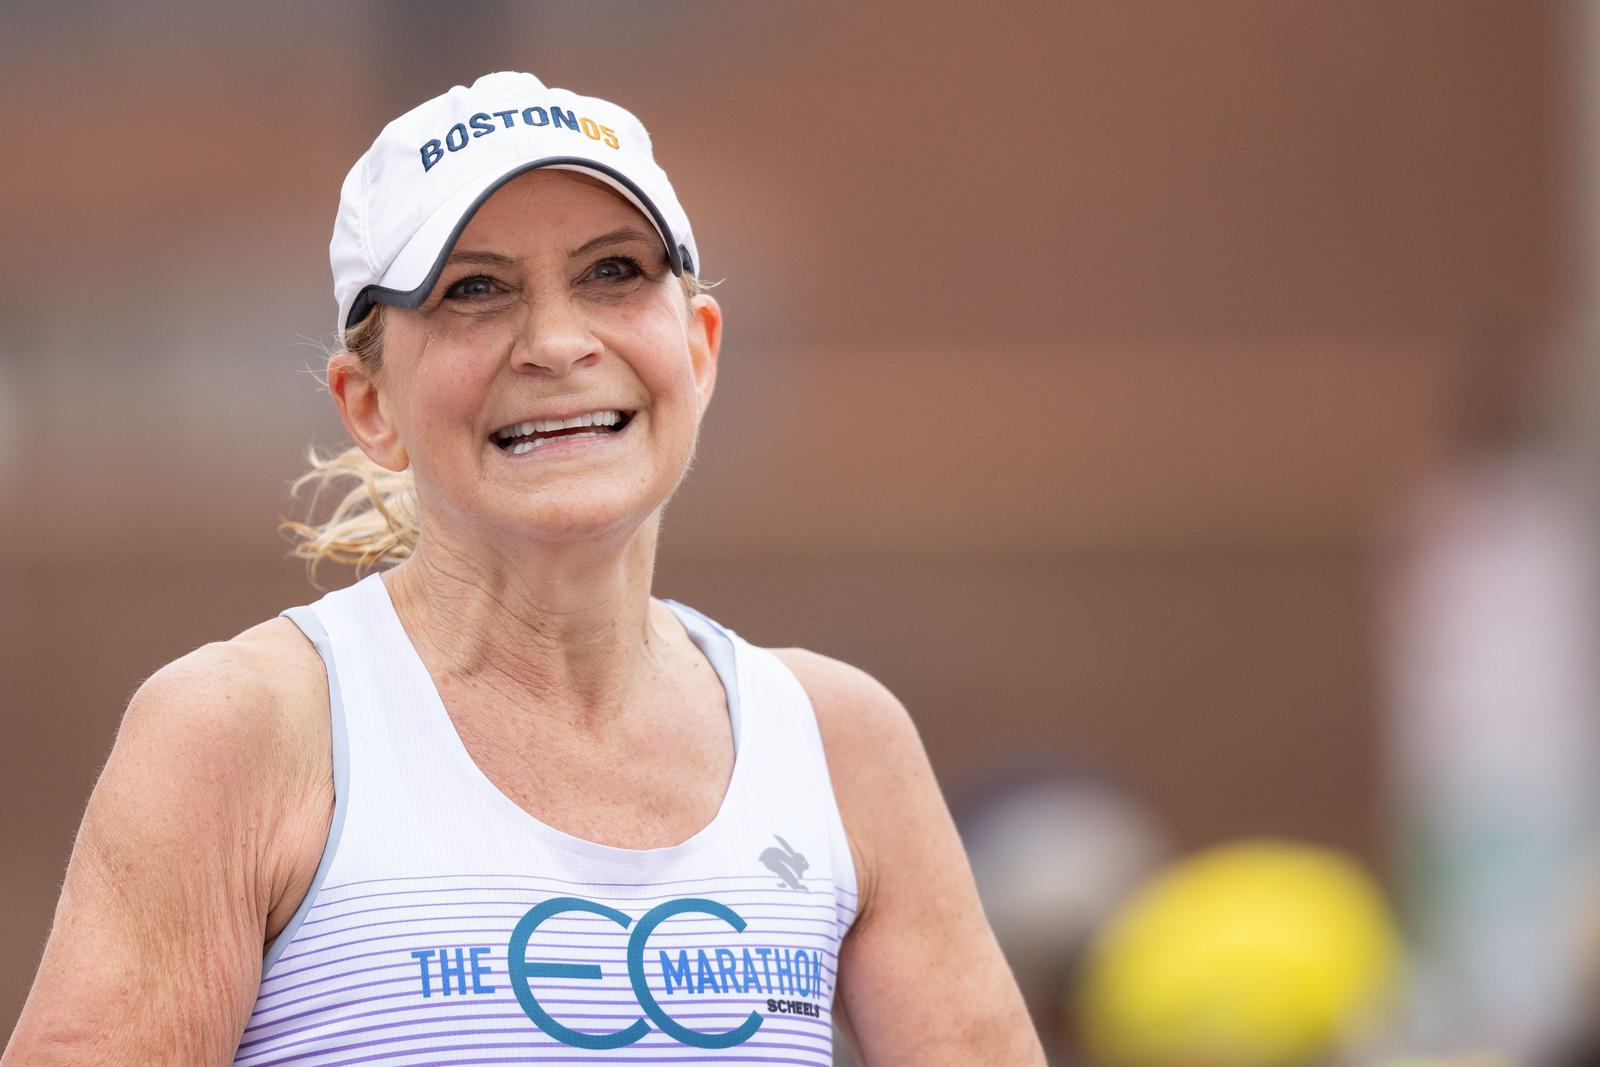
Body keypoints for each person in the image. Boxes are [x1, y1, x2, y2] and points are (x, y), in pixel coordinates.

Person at [2, 71, 1042, 1065]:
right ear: (369, 406)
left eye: (612, 272)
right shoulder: (238, 732)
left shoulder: (839, 741)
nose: (554, 340)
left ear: (700, 348)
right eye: (475, 290)